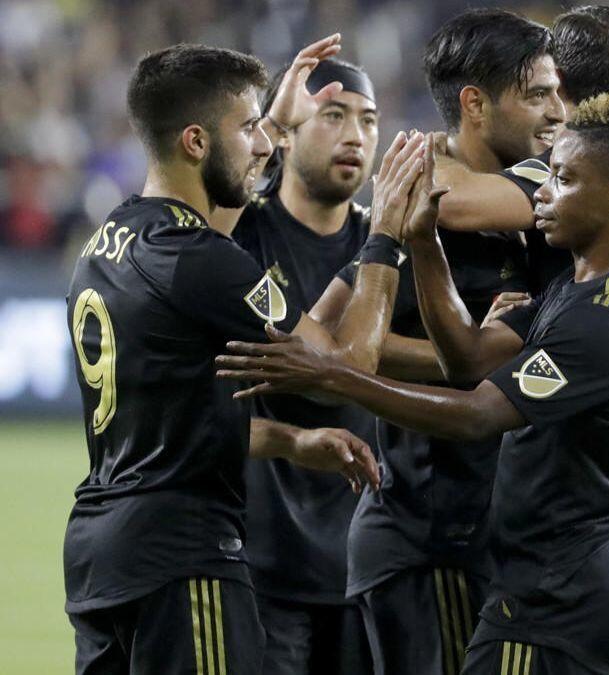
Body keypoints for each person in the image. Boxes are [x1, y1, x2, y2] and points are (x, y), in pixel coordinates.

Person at [217, 90, 609, 675]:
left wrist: (335, 374)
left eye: (562, 179)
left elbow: (477, 413)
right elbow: (469, 357)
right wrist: (424, 240)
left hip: (559, 609)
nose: (541, 191)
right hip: (597, 593)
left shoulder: (604, 323)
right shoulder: (592, 288)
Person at [63, 35, 429, 674]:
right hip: (183, 557)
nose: (264, 144)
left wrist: (290, 441)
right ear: (197, 143)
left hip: (102, 551)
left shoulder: (110, 241)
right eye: (249, 129)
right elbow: (345, 363)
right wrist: (385, 238)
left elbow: (187, 408)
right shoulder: (204, 264)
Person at [432, 8, 609, 671]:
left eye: (546, 88)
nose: (544, 108)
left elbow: (452, 198)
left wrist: (429, 148)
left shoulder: (579, 172)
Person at [307, 10, 565, 674]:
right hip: (432, 534)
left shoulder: (521, 208)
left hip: (483, 534)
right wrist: (476, 363)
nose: (557, 111)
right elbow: (328, 337)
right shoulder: (410, 214)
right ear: (476, 104)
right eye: (537, 94)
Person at [221, 57, 385, 674]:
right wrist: (264, 124)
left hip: (368, 569)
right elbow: (184, 216)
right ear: (286, 133)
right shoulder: (239, 237)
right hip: (261, 569)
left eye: (369, 121)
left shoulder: (386, 249)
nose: (355, 136)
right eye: (334, 115)